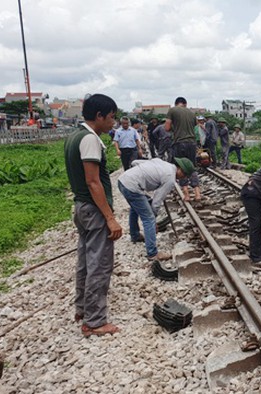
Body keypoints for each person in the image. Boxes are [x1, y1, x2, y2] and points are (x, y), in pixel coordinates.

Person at [63, 93, 123, 337]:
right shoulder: (90, 139)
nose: (113, 123)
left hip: (81, 208)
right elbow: (93, 182)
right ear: (99, 116)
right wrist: (110, 217)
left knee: (85, 262)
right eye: (111, 117)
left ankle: (82, 309)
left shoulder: (74, 136)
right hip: (93, 209)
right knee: (99, 264)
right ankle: (95, 321)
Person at [117, 157, 195, 261]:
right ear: (180, 169)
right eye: (184, 175)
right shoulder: (170, 179)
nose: (183, 178)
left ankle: (135, 235)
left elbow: (135, 162)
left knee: (135, 207)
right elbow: (157, 201)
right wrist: (154, 220)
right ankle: (152, 254)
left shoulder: (162, 162)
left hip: (123, 180)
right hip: (132, 186)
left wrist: (140, 175)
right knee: (148, 218)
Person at [165, 97, 201, 201]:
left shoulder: (172, 110)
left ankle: (187, 195)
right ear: (185, 104)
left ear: (176, 103)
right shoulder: (191, 113)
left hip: (179, 143)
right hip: (192, 143)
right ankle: (197, 194)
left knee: (181, 169)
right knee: (191, 167)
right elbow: (195, 126)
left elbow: (167, 128)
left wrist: (175, 128)